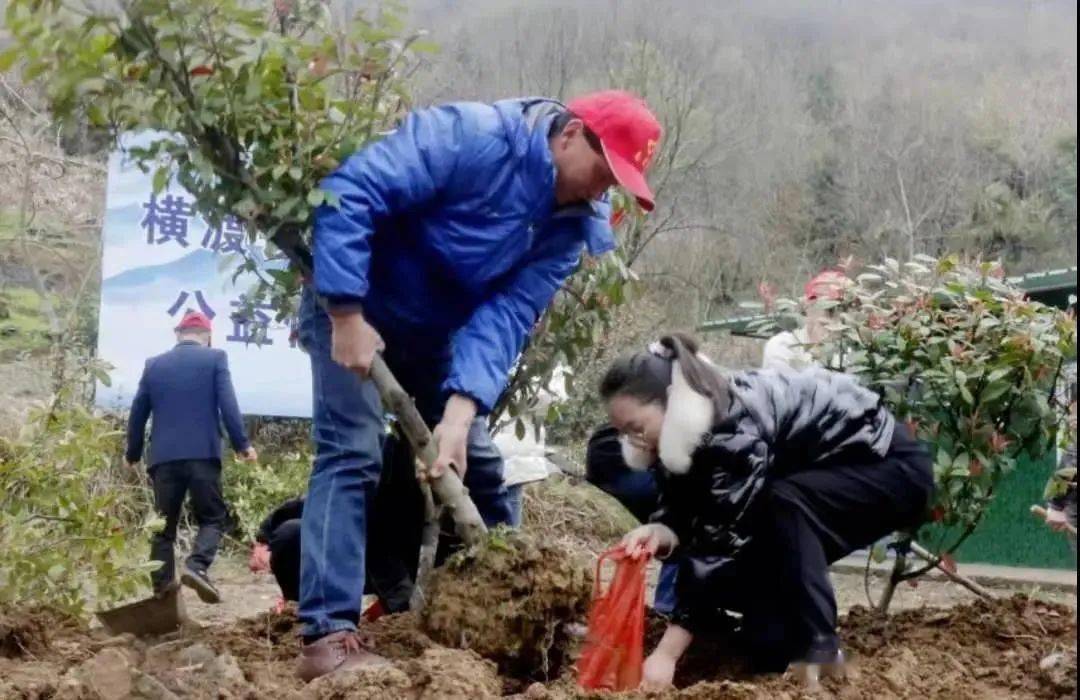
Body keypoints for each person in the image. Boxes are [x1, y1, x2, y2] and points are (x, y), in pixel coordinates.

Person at [295, 91, 662, 680]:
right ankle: (329, 635)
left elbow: (507, 316)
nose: (602, 191)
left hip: (436, 339)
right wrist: (344, 313)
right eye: (603, 172)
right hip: (357, 303)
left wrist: (459, 417)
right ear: (570, 135)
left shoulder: (571, 228)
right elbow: (352, 190)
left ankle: (510, 618)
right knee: (352, 451)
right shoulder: (471, 137)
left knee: (483, 469)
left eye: (616, 183)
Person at [600, 333, 933, 689]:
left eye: (637, 428)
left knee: (780, 504)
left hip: (889, 466)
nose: (633, 442)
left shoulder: (730, 428)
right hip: (823, 474)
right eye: (623, 433)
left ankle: (822, 651)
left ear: (670, 400)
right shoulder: (685, 430)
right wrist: (659, 533)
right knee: (766, 643)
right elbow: (688, 510)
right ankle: (776, 643)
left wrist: (666, 654)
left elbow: (718, 545)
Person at [125, 310, 258, 603]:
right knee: (212, 518)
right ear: (207, 336)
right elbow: (228, 405)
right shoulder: (215, 359)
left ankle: (163, 595)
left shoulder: (154, 365)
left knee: (163, 529)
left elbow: (138, 413)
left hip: (164, 460)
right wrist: (242, 445)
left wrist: (132, 452)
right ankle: (197, 566)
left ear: (178, 334)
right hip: (203, 455)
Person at [585, 424, 677, 615]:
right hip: (617, 458)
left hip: (607, 455)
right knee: (683, 529)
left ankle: (668, 612)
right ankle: (668, 611)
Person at [761, 270, 846, 371]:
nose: (828, 313)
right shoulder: (783, 344)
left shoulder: (854, 352)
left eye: (839, 307)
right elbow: (781, 384)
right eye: (824, 304)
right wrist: (818, 348)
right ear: (807, 306)